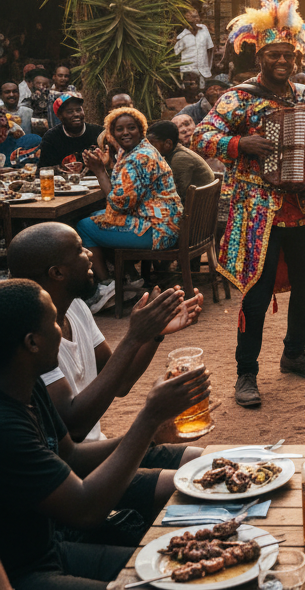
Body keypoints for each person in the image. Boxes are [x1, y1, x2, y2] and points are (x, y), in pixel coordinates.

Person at [0, 278, 209, 590]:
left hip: (53, 548)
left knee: (181, 569)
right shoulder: (7, 426)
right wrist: (148, 420)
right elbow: (86, 509)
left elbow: (71, 455)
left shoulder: (29, 384)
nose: (61, 330)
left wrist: (152, 434)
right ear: (32, 343)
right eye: (54, 323)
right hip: (26, 573)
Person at [6, 224, 204, 528]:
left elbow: (120, 381)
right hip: (78, 480)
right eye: (79, 250)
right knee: (194, 490)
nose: (90, 255)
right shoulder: (31, 349)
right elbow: (76, 424)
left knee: (204, 461)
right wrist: (133, 340)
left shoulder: (76, 309)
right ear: (57, 272)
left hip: (94, 454)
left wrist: (152, 335)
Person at [193, 0, 305, 409]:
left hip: (303, 210)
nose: (283, 61)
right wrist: (239, 143)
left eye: (289, 54)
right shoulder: (239, 98)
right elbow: (201, 136)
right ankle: (246, 373)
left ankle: (294, 353)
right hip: (257, 213)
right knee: (256, 293)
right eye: (275, 54)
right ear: (260, 55)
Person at [77, 107, 182, 314]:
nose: (125, 132)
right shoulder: (138, 151)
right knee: (95, 218)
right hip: (165, 224)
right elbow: (123, 195)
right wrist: (107, 166)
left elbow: (119, 204)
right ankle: (130, 279)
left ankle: (106, 286)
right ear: (112, 133)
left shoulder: (137, 158)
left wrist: (99, 171)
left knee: (84, 226)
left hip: (157, 231)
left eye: (131, 128)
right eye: (119, 129)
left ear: (141, 130)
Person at [147, 120, 216, 202]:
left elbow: (176, 194)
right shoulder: (176, 153)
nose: (148, 147)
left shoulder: (179, 158)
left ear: (168, 143)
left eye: (152, 143)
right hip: (199, 205)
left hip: (195, 209)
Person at [38, 93, 101, 170]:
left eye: (78, 110)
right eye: (70, 111)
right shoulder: (51, 138)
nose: (76, 114)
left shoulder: (98, 133)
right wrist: (62, 170)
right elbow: (43, 170)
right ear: (60, 116)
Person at [173, 8, 214, 79]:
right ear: (186, 20)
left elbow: (210, 48)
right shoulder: (182, 36)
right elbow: (175, 55)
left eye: (197, 16)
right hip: (188, 73)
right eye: (193, 17)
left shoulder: (204, 29)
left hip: (204, 73)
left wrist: (208, 66)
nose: (197, 19)